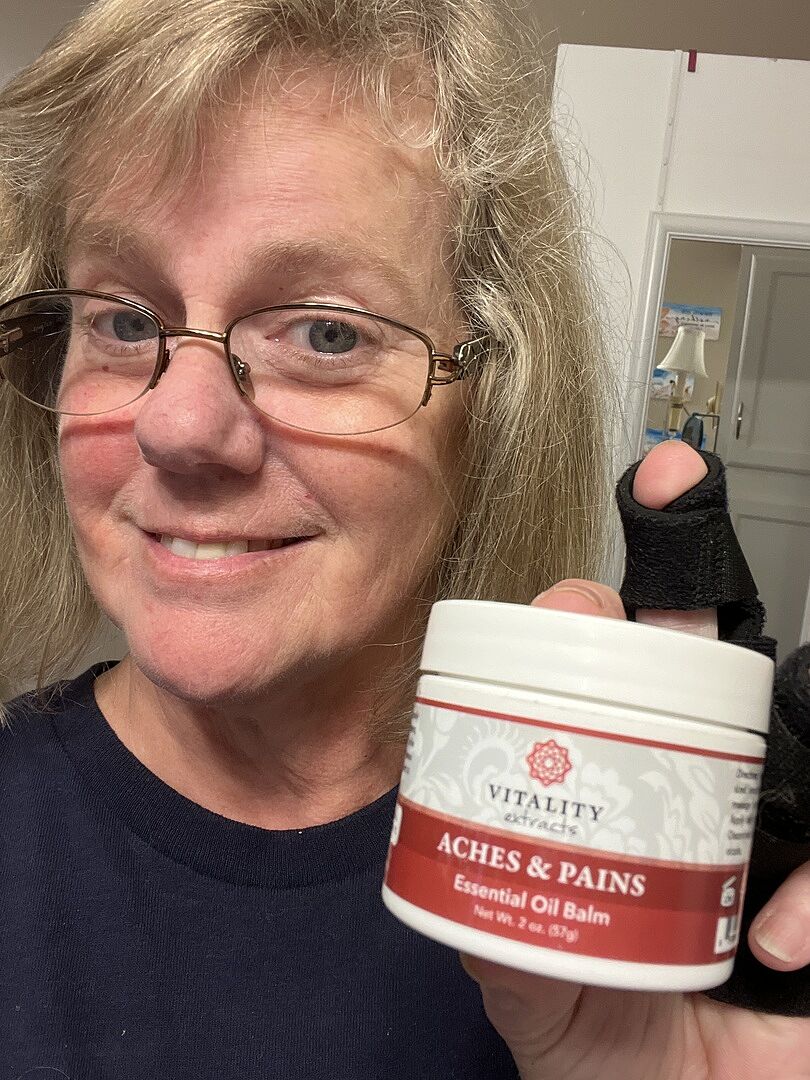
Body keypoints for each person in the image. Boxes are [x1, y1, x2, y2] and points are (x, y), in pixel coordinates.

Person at [0, 1, 807, 1076]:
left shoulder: (595, 895)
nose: (177, 424)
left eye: (326, 330)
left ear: (493, 406)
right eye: (124, 320)